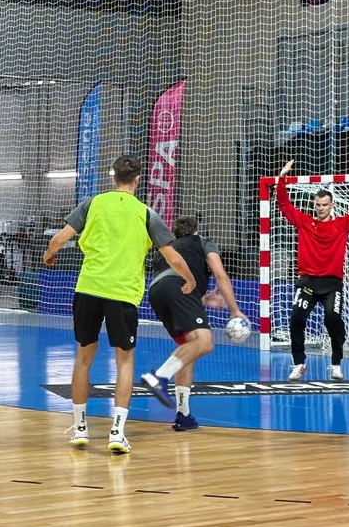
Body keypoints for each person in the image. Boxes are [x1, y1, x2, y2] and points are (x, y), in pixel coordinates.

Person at [43, 156, 195, 453]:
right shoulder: (146, 213)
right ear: (137, 179)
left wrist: (50, 254)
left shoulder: (92, 203)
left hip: (88, 288)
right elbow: (173, 257)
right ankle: (116, 433)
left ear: (113, 178)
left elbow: (61, 238)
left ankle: (80, 428)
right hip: (122, 294)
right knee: (124, 362)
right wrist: (189, 280)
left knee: (83, 358)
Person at [140, 215, 245, 431]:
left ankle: (183, 414)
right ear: (196, 231)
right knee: (204, 343)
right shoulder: (203, 243)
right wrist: (235, 311)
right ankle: (158, 377)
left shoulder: (168, 245)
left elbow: (174, 284)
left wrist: (205, 300)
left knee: (188, 351)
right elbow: (220, 274)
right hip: (177, 287)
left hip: (156, 292)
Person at [276, 160, 349, 381]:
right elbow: (284, 204)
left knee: (332, 318)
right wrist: (282, 178)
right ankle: (299, 363)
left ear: (331, 205)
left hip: (332, 284)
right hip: (308, 282)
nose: (320, 208)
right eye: (317, 204)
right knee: (296, 318)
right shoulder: (304, 222)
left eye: (324, 205)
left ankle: (336, 363)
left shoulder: (342, 224)